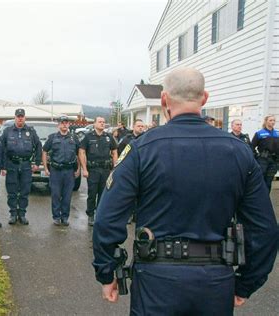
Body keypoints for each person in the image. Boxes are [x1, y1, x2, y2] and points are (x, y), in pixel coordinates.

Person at [93, 67, 278, 315]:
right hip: (215, 281)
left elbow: (107, 218)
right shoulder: (239, 152)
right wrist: (246, 283)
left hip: (156, 281)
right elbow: (265, 229)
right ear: (204, 98)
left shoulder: (142, 149)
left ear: (164, 100)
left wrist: (107, 272)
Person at [0, 108, 42, 225]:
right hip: (11, 164)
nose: (20, 118)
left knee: (25, 190)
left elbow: (38, 147)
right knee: (12, 191)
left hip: (26, 165)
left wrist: (37, 163)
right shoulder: (8, 131)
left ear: (25, 118)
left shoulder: (31, 131)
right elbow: (2, 149)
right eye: (18, 116)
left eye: (22, 116)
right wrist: (3, 166)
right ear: (15, 117)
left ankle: (22, 214)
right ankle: (13, 214)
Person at [79, 116, 118, 226]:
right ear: (94, 124)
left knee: (103, 194)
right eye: (100, 122)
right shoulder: (88, 137)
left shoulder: (109, 137)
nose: (102, 124)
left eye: (104, 122)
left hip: (105, 170)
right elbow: (81, 152)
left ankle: (100, 215)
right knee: (92, 194)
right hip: (93, 170)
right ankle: (91, 215)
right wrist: (84, 169)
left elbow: (114, 152)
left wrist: (115, 168)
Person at [42, 115, 80, 226]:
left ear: (69, 124)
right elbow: (44, 151)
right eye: (62, 122)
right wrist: (45, 168)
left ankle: (65, 217)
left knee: (67, 196)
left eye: (66, 122)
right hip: (56, 171)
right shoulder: (52, 138)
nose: (64, 124)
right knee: (56, 195)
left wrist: (79, 168)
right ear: (59, 124)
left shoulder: (74, 138)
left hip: (69, 171)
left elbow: (79, 154)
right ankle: (56, 217)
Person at [251, 115, 279, 192]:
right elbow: (252, 147)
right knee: (261, 180)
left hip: (274, 161)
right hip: (263, 160)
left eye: (274, 120)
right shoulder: (259, 133)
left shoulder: (277, 133)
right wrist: (256, 157)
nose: (272, 122)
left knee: (269, 182)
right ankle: (258, 199)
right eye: (270, 120)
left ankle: (266, 200)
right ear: (266, 121)